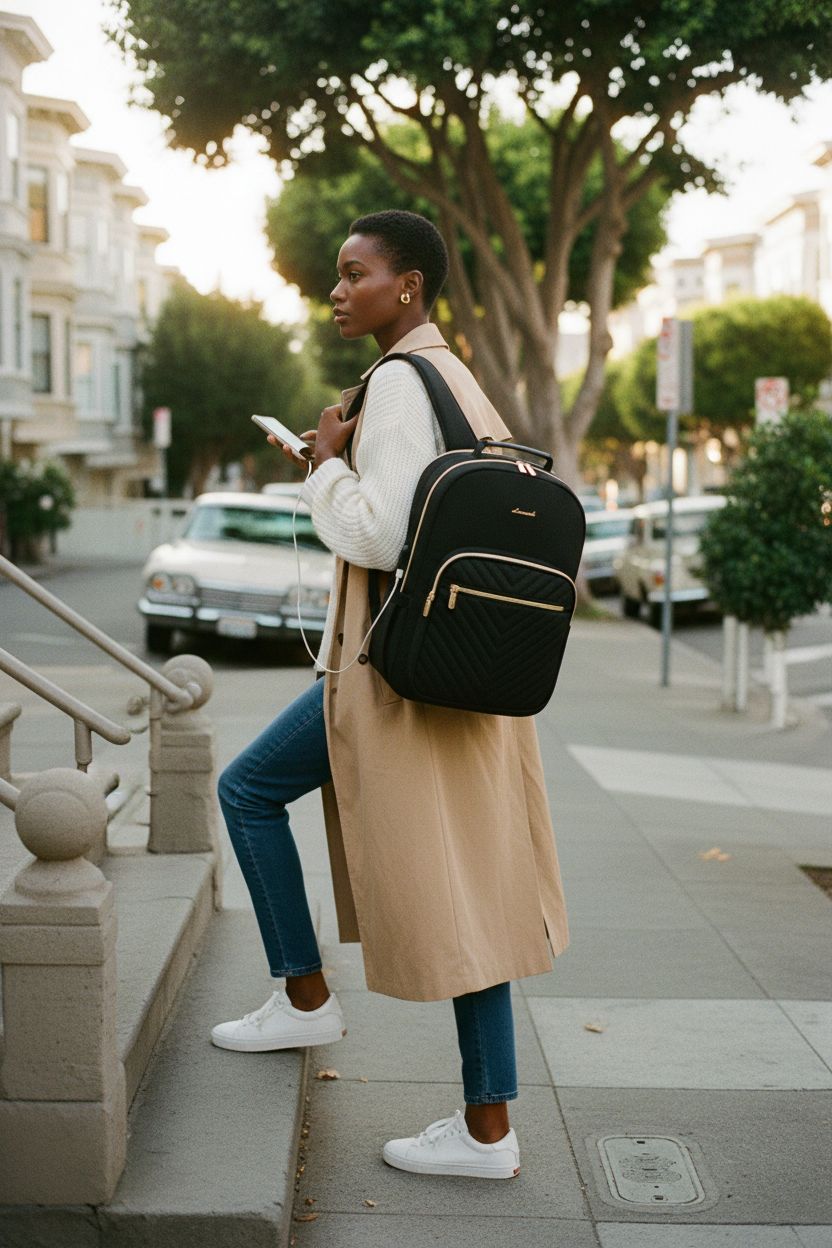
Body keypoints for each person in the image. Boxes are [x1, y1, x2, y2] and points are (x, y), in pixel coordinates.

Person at [212, 210, 569, 1180]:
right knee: (477, 885)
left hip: (393, 677)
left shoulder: (403, 382)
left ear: (406, 286)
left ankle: (304, 996)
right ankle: (486, 1128)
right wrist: (334, 463)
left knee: (247, 790)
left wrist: (329, 465)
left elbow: (377, 533)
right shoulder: (453, 376)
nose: (336, 290)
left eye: (354, 272)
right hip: (465, 665)